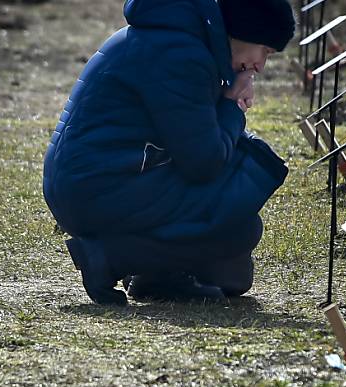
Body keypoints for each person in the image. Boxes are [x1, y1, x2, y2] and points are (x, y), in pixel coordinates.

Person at [43, 0, 295, 305]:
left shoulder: (176, 40)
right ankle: (107, 259)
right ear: (243, 31)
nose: (260, 65)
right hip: (98, 189)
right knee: (240, 229)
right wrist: (232, 106)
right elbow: (204, 162)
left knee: (232, 274)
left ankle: (156, 275)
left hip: (99, 181)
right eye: (265, 51)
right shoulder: (180, 56)